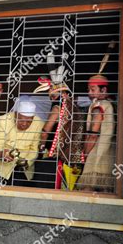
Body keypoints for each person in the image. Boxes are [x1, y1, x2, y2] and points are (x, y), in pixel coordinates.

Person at [32, 53, 85, 190]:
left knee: (49, 187)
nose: (49, 94)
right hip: (72, 158)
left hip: (53, 156)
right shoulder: (76, 109)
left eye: (50, 90)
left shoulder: (57, 107)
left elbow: (46, 131)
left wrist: (41, 148)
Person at [77, 74, 116, 192]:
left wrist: (85, 153)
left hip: (96, 156)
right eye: (88, 90)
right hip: (109, 155)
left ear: (103, 90)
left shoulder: (99, 106)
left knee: (87, 190)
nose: (89, 93)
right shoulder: (111, 104)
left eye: (93, 90)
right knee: (105, 192)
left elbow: (93, 134)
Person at [0, 100, 44, 186]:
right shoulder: (3, 121)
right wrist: (1, 154)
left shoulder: (38, 123)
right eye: (21, 120)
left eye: (29, 122)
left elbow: (34, 149)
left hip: (24, 171)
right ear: (15, 114)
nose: (24, 124)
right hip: (3, 170)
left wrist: (26, 162)